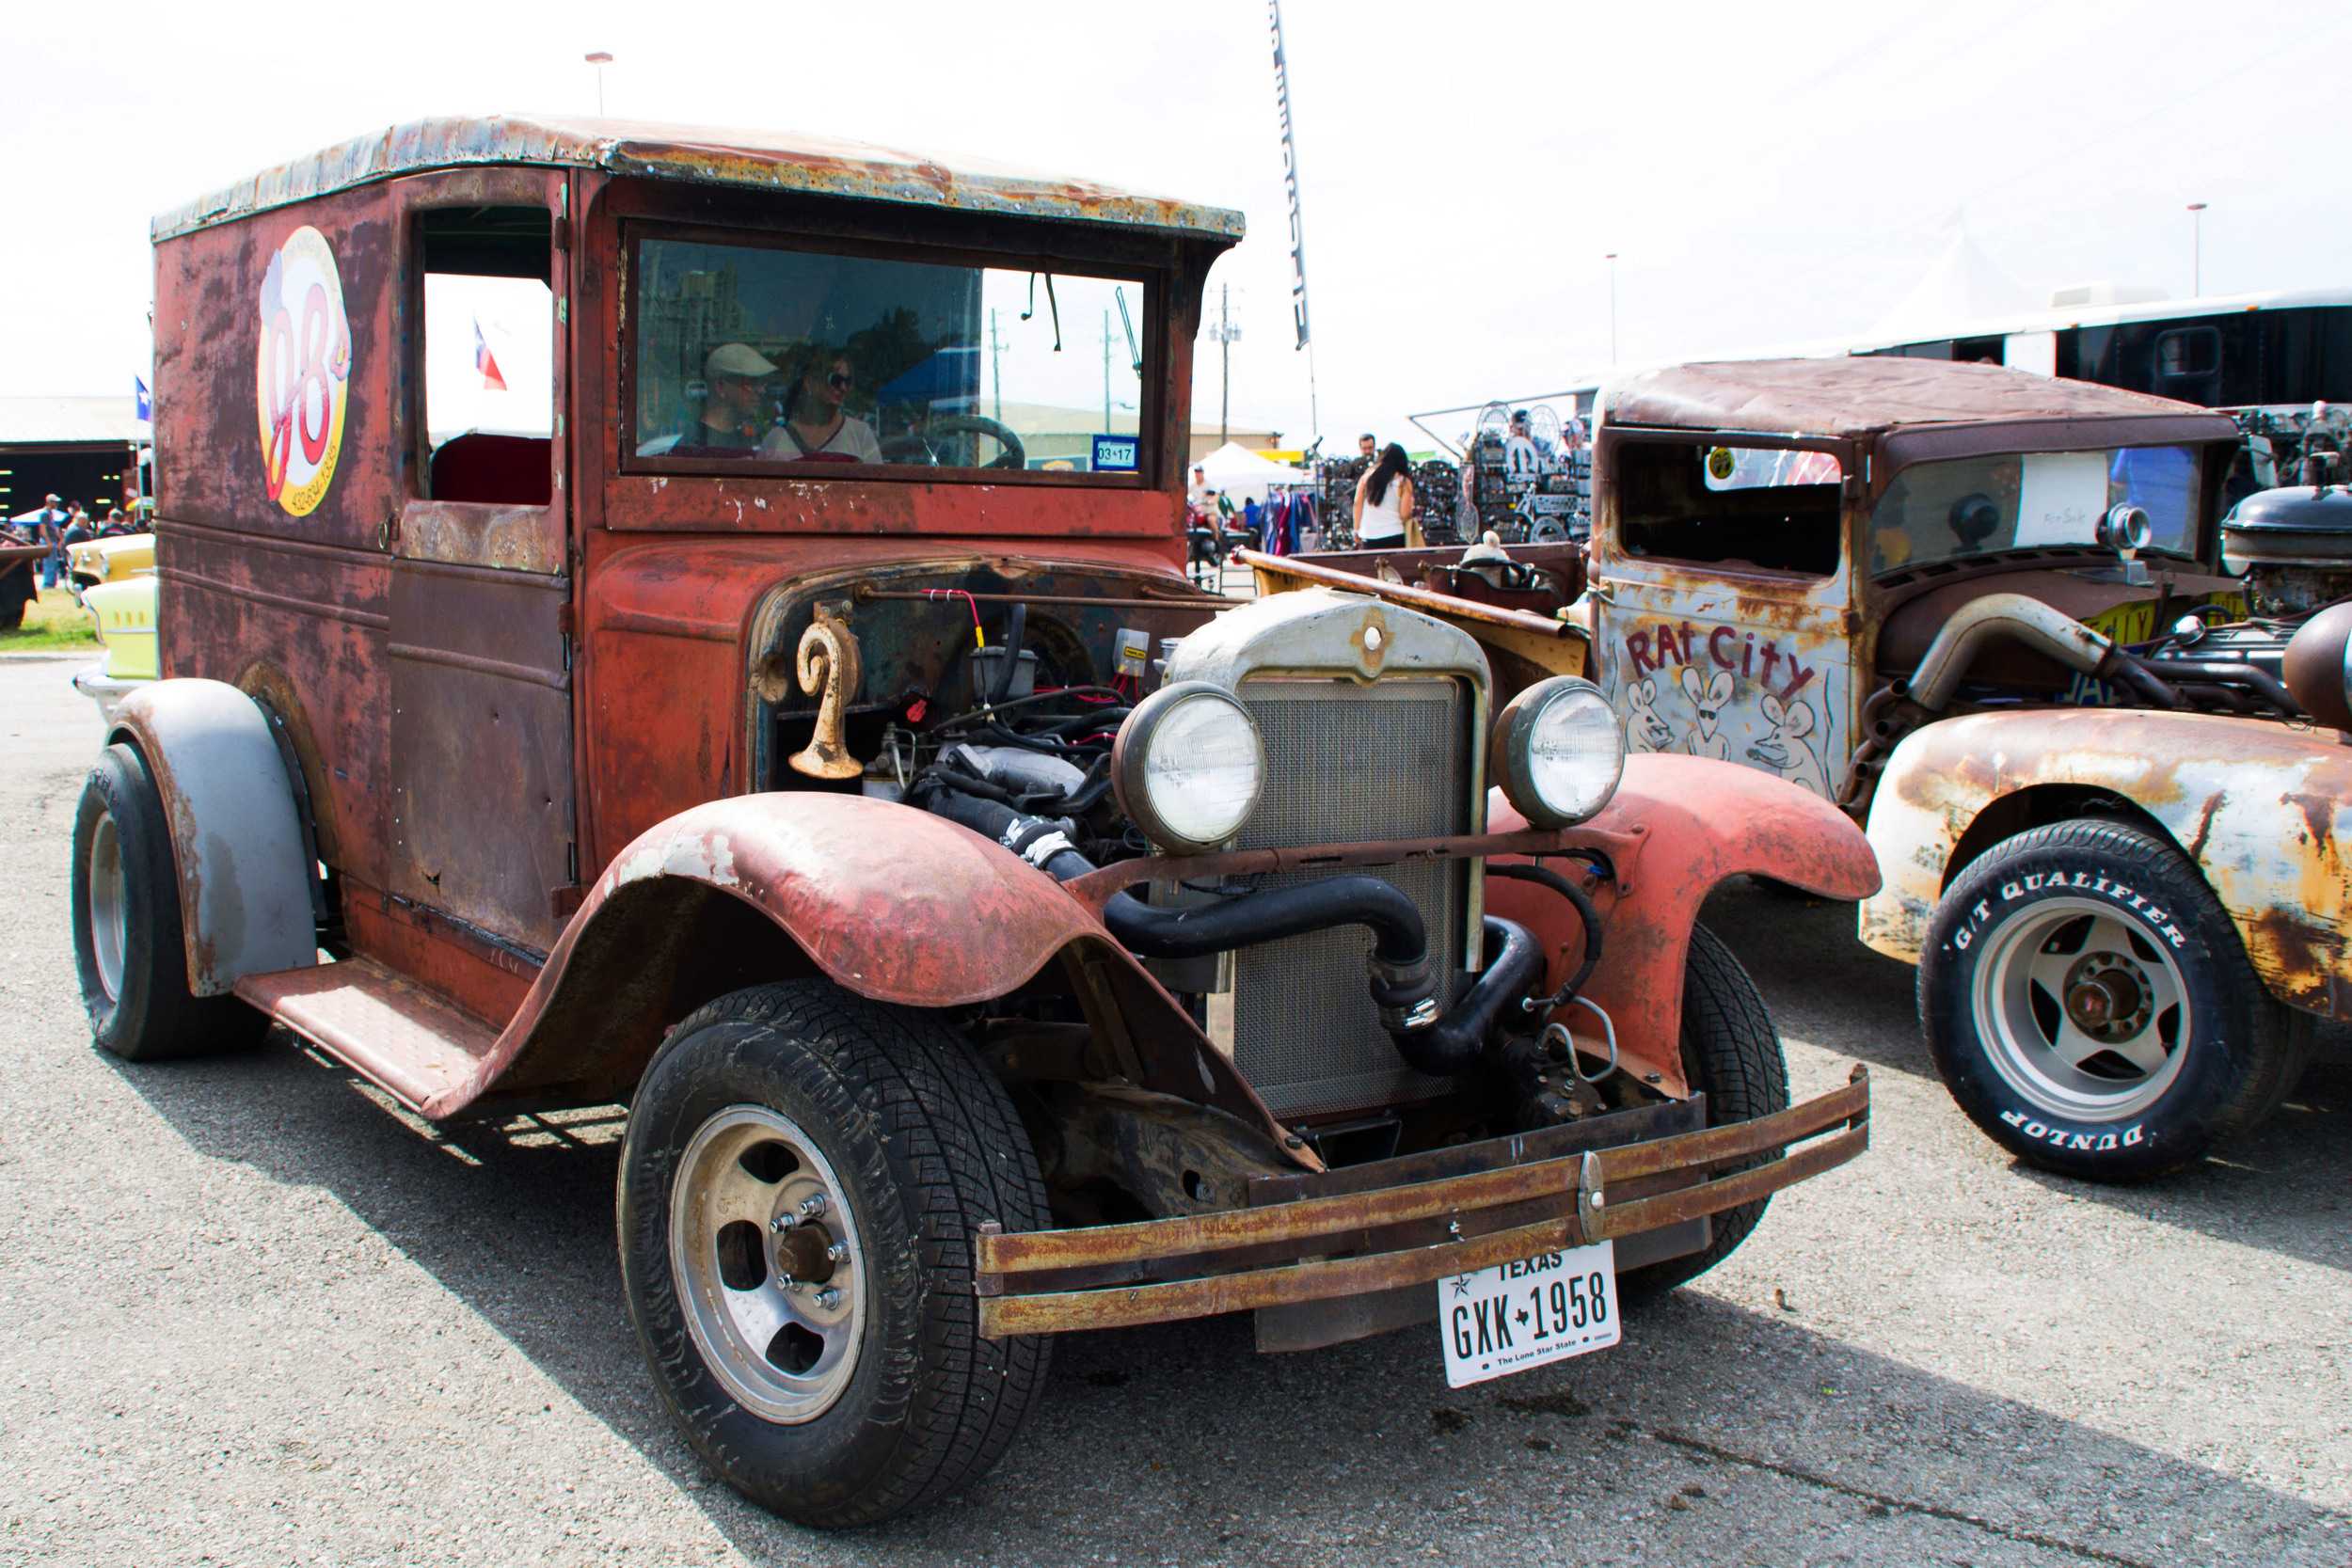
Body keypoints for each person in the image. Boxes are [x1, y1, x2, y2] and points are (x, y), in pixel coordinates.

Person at [639, 342, 779, 455]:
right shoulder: (691, 448)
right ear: (720, 387)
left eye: (761, 383)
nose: (761, 390)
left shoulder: (749, 443)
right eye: (750, 383)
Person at [760, 345, 883, 464]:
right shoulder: (776, 439)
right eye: (835, 380)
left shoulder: (861, 435)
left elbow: (878, 483)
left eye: (848, 381)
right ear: (810, 382)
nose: (843, 387)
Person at [1354, 442, 1415, 547]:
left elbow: (1357, 504)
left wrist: (1356, 529)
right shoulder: (1403, 481)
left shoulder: (1366, 477)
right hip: (1395, 534)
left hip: (1368, 535)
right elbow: (1404, 514)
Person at [32, 494, 69, 589]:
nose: (57, 503)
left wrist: (61, 539)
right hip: (48, 541)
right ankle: (48, 584)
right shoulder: (44, 514)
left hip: (53, 541)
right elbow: (42, 529)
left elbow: (55, 528)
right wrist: (48, 542)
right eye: (55, 502)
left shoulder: (50, 513)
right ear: (49, 502)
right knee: (49, 563)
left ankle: (52, 583)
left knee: (54, 563)